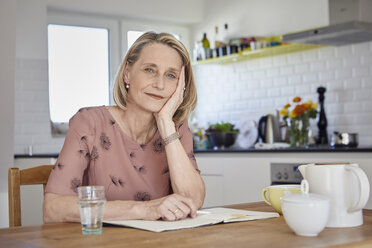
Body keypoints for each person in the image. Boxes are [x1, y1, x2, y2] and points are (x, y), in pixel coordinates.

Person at [43, 31, 205, 222]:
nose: (160, 84)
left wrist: (166, 125)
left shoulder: (175, 128)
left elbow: (192, 202)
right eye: (149, 70)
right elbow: (52, 209)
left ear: (181, 86)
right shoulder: (89, 122)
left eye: (171, 75)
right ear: (127, 74)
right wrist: (142, 210)